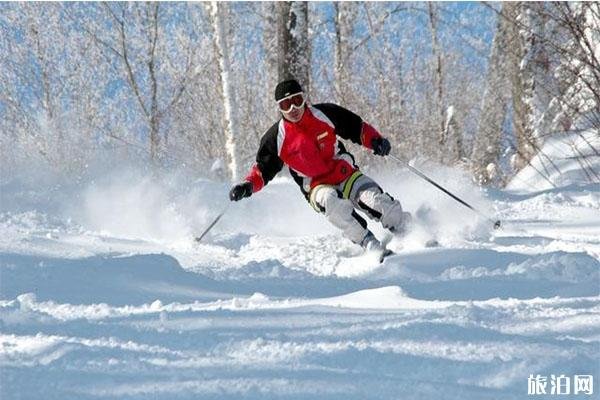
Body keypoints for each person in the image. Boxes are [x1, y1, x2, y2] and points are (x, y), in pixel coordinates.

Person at [229, 78, 411, 255]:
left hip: (344, 172)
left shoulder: (325, 113)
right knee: (331, 202)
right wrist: (247, 186)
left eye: (296, 101)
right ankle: (368, 242)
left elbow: (357, 128)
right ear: (280, 108)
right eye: (286, 105)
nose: (293, 109)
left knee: (375, 201)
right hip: (315, 185)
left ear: (304, 99)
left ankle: (411, 232)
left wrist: (376, 141)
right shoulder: (276, 137)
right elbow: (263, 170)